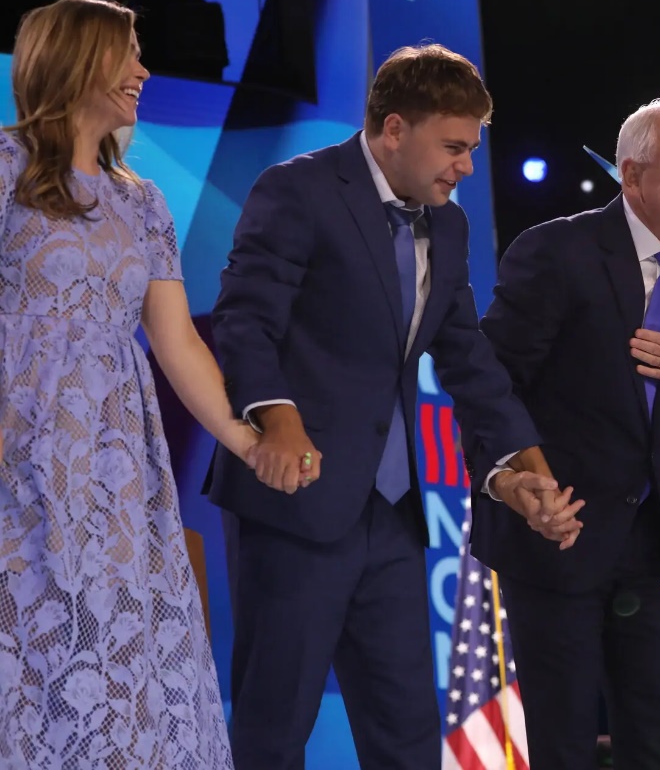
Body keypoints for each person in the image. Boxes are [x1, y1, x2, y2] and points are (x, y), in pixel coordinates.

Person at [207, 44, 578, 770]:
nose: (465, 166)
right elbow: (245, 319)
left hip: (394, 514)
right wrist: (277, 418)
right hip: (296, 500)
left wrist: (529, 470)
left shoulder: (449, 224)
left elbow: (469, 359)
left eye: (472, 149)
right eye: (453, 147)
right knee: (273, 731)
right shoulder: (299, 188)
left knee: (407, 737)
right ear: (395, 129)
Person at [466, 98, 660, 769]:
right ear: (631, 176)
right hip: (557, 530)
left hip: (650, 544)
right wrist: (508, 482)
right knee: (565, 744)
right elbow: (489, 384)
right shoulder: (557, 250)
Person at [0, 0, 244, 768]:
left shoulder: (140, 201)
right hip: (18, 458)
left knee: (111, 659)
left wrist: (244, 438)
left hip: (115, 469)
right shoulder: (3, 167)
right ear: (77, 58)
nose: (143, 69)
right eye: (128, 51)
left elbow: (176, 343)